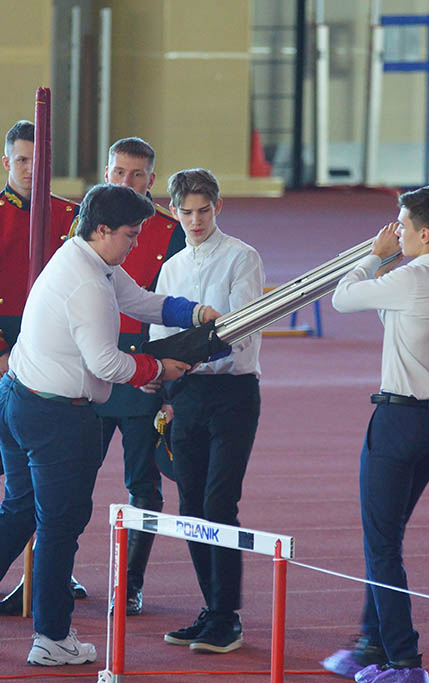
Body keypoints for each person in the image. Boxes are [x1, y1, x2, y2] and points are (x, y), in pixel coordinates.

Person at [0, 183, 217, 666]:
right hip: (52, 414)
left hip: (15, 398)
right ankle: (51, 636)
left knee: (21, 507)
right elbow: (107, 364)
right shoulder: (89, 283)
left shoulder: (84, 258)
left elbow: (140, 299)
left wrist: (192, 311)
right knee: (60, 523)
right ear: (104, 229)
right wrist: (159, 370)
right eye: (131, 235)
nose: (136, 244)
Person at [322, 187, 429, 683]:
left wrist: (373, 257)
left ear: (425, 234)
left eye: (403, 226)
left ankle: (404, 662)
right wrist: (391, 261)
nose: (395, 233)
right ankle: (372, 642)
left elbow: (343, 299)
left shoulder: (412, 277)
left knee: (382, 545)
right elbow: (397, 316)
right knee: (386, 539)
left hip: (399, 422)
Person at [150, 168, 264, 654]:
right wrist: (166, 389)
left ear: (218, 207)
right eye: (186, 212)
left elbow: (238, 333)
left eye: (203, 210)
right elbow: (159, 336)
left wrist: (187, 348)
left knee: (221, 504)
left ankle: (229, 617)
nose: (195, 220)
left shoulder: (243, 258)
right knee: (191, 506)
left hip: (233, 392)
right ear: (173, 212)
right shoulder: (172, 266)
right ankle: (212, 609)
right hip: (187, 395)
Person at [0, 120, 79, 549]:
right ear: (7, 162)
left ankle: (49, 561)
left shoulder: (70, 217)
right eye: (21, 160)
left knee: (50, 462)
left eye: (37, 160)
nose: (29, 169)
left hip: (53, 350)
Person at [96, 137, 185, 615]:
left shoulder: (170, 232)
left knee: (144, 486)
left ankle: (130, 584)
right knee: (66, 481)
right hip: (92, 372)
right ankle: (53, 575)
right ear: (106, 172)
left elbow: (169, 314)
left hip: (144, 375)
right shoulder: (86, 220)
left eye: (136, 175)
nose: (126, 182)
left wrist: (166, 385)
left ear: (152, 180)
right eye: (118, 172)